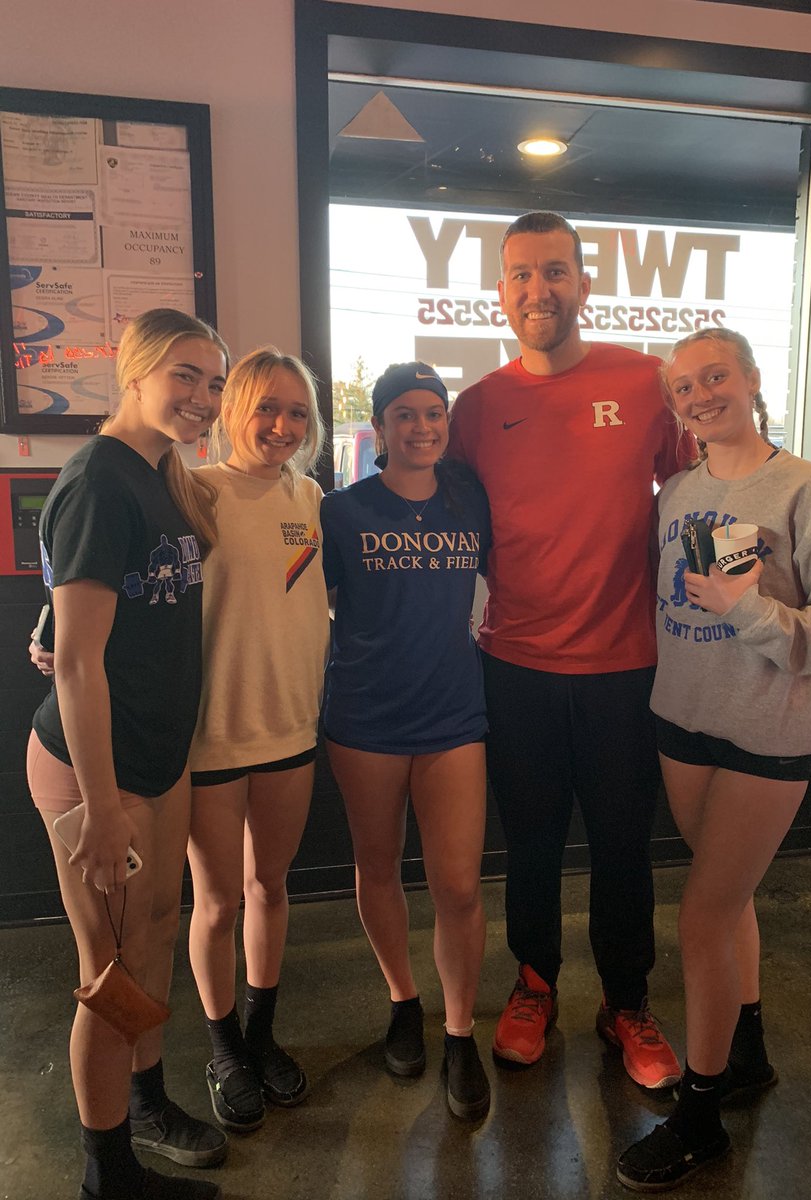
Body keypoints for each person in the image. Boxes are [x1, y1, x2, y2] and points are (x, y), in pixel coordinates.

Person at [616, 327, 811, 1191]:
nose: (697, 397)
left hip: (771, 731)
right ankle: (748, 1049)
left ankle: (700, 1115)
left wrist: (748, 611)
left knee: (701, 918)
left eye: (713, 377)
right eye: (681, 388)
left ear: (753, 379)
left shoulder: (810, 489)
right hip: (684, 720)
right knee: (729, 902)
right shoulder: (676, 491)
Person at [447, 210, 686, 1087]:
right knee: (533, 844)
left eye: (554, 272)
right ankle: (535, 985)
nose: (537, 290)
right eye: (519, 275)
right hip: (515, 669)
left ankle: (627, 1002)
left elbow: (705, 489)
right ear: (500, 293)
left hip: (628, 668)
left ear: (584, 285)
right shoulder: (475, 410)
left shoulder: (649, 383)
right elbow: (432, 516)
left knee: (625, 845)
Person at [27, 308, 229, 1200]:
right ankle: (106, 1172)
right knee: (109, 974)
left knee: (151, 942)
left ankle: (145, 1105)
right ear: (136, 371)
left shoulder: (165, 476)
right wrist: (104, 809)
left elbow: (91, 613)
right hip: (94, 769)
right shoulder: (100, 479)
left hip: (159, 752)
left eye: (214, 382)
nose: (202, 397)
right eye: (185, 375)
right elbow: (74, 661)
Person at [321, 362, 492, 1121]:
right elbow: (273, 588)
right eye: (405, 415)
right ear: (380, 426)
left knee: (458, 884)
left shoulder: (471, 497)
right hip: (364, 718)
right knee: (378, 867)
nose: (422, 427)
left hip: (454, 714)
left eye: (434, 413)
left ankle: (459, 1033)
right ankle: (402, 1001)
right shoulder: (342, 511)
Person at [186, 348, 330, 1132]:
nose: (281, 425)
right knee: (214, 903)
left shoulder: (308, 495)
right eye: (266, 407)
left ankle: (259, 1033)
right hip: (211, 735)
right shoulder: (194, 490)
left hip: (290, 727)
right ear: (231, 407)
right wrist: (48, 623)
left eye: (297, 412)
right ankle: (222, 1049)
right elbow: (116, 578)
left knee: (269, 889)